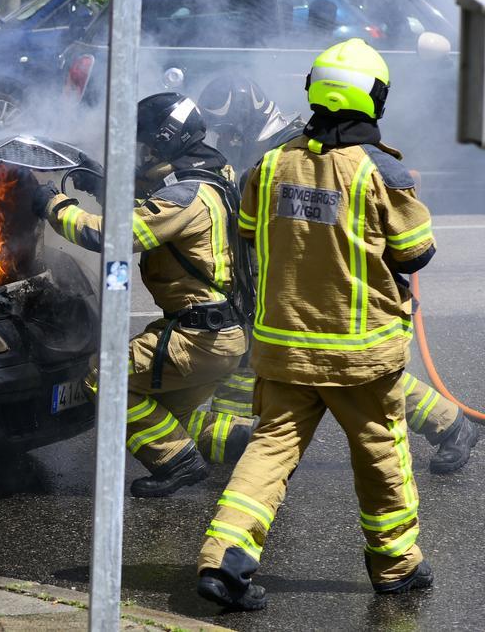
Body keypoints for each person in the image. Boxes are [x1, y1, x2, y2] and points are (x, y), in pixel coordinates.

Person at [196, 39, 437, 611]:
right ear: (374, 98)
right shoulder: (382, 169)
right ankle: (395, 566)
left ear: (313, 90)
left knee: (269, 451)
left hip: (283, 348)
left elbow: (252, 230)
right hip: (360, 358)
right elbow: (415, 250)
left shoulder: (272, 162)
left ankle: (223, 561)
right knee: (381, 452)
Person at [198, 72, 480, 475]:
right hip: (274, 283)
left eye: (228, 130)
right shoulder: (265, 148)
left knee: (356, 376)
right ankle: (231, 447)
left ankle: (452, 426)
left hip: (323, 281)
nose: (224, 140)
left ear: (246, 117)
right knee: (265, 365)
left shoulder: (298, 146)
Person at [34, 93, 257, 498]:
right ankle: (207, 452)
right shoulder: (214, 172)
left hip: (197, 338)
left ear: (165, 141)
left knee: (105, 379)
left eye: (145, 145)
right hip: (226, 334)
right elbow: (152, 202)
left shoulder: (184, 198)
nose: (140, 155)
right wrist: (106, 186)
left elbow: (108, 234)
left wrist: (53, 204)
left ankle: (179, 463)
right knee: (166, 417)